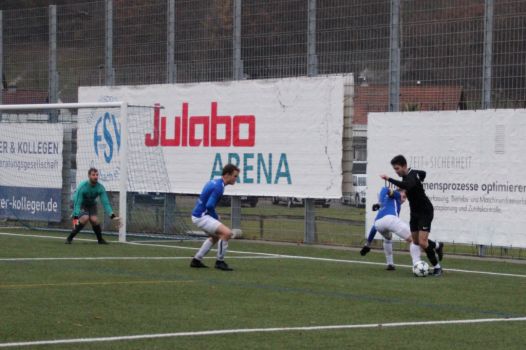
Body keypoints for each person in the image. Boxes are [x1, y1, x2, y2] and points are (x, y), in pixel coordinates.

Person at [380, 155, 444, 276]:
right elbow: (423, 173)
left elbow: (407, 186)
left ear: (404, 166)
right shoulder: (411, 174)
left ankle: (437, 268)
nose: (396, 171)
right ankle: (437, 245)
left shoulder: (411, 176)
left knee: (423, 242)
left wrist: (389, 179)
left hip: (425, 211)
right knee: (415, 241)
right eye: (394, 169)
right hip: (414, 213)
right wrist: (421, 176)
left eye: (397, 168)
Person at [190, 164, 240, 271]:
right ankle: (219, 262)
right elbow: (209, 205)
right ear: (227, 175)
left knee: (216, 236)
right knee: (227, 233)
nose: (236, 178)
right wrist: (215, 217)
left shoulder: (215, 182)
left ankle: (196, 260)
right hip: (201, 216)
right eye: (235, 176)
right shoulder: (219, 187)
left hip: (197, 215)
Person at [360, 187, 422, 271]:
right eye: (404, 195)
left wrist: (367, 244)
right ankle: (417, 265)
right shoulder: (396, 195)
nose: (404, 199)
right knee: (414, 240)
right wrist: (379, 203)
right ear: (399, 192)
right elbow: (384, 189)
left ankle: (390, 264)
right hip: (390, 220)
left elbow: (374, 227)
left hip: (379, 224)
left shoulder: (387, 203)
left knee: (388, 238)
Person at [65, 167, 120, 244]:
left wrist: (112, 215)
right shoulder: (82, 187)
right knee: (85, 218)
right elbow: (77, 203)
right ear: (89, 176)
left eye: (97, 175)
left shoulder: (100, 188)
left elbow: (106, 203)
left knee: (94, 220)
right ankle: (69, 238)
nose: (95, 177)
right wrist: (75, 216)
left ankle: (100, 240)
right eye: (93, 175)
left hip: (91, 204)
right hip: (79, 203)